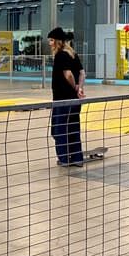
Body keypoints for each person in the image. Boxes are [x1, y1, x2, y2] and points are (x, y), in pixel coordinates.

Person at [48, 27, 86, 167]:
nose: (50, 43)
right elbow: (82, 73)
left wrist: (75, 86)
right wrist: (80, 88)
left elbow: (68, 74)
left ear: (57, 41)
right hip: (75, 100)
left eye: (51, 40)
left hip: (62, 99)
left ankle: (64, 158)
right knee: (74, 128)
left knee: (60, 130)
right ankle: (77, 158)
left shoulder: (60, 55)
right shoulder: (73, 54)